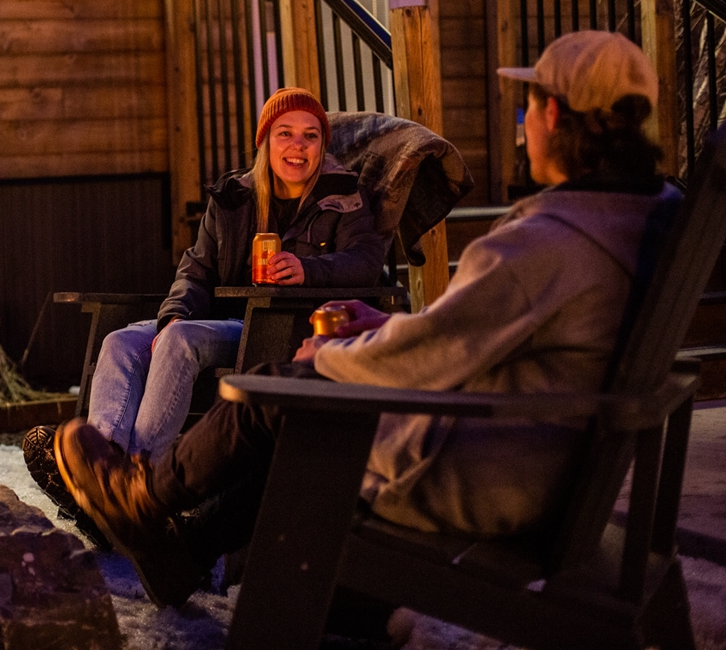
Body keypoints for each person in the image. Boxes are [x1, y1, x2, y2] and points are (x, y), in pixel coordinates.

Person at [53, 30, 680, 609]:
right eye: (284, 135)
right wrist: (374, 330)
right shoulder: (643, 218)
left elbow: (429, 355)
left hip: (484, 471)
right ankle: (180, 546)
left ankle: (144, 495)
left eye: (528, 108)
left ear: (551, 115)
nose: (522, 128)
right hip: (548, 456)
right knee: (296, 398)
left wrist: (327, 357)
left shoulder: (547, 242)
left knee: (281, 395)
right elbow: (478, 331)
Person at [24, 87, 388, 516]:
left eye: (310, 136)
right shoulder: (234, 198)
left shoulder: (344, 196)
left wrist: (310, 271)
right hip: (217, 321)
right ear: (265, 142)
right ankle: (100, 470)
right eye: (284, 133)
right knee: (121, 341)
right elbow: (195, 271)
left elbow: (365, 261)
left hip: (278, 326)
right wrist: (174, 314)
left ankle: (143, 488)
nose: (297, 146)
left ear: (321, 146)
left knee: (180, 341)